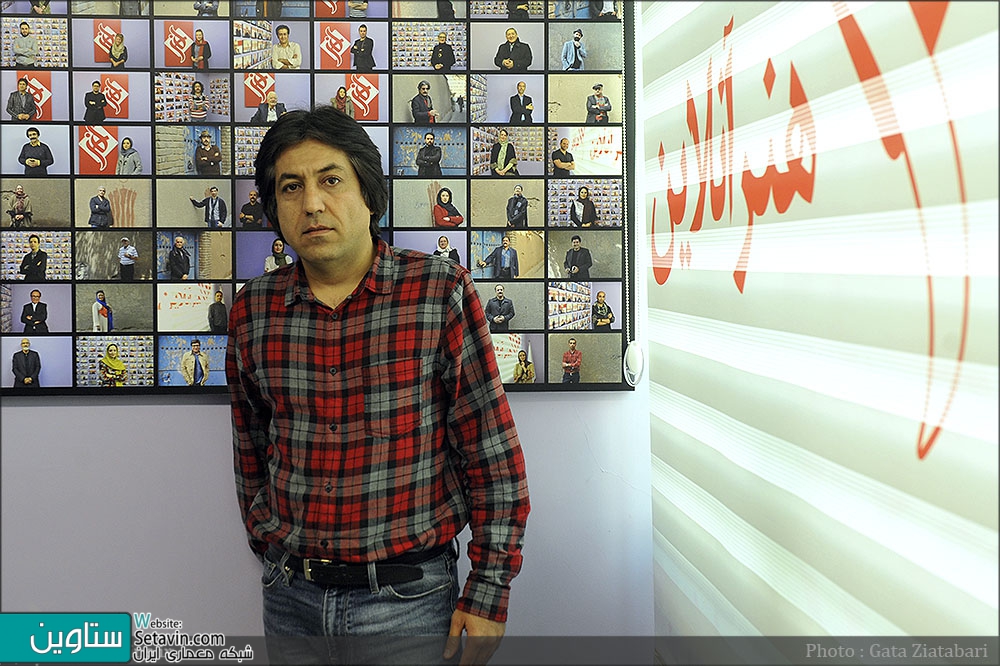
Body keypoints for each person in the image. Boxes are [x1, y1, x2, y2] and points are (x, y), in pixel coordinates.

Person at [227, 106, 528, 660]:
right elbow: (251, 446)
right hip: (290, 598)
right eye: (290, 187)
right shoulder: (254, 310)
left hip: (407, 600)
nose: (311, 203)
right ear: (274, 208)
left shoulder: (438, 292)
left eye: (331, 180)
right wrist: (270, 544)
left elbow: (491, 454)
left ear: (369, 193)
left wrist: (489, 590)